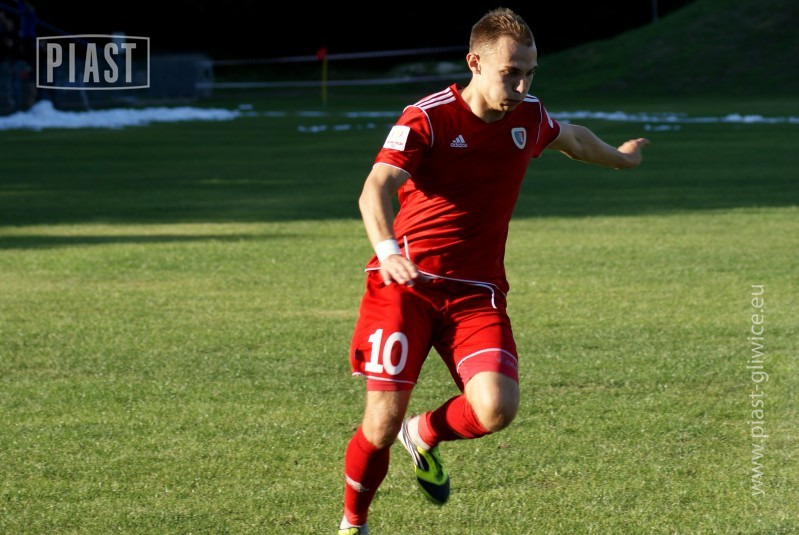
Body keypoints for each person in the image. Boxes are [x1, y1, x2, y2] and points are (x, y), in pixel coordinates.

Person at [339, 8, 649, 534]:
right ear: (475, 63)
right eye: (511, 73)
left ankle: (425, 433)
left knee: (496, 409)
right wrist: (388, 250)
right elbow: (376, 187)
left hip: (475, 293)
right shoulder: (427, 117)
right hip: (405, 285)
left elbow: (574, 140)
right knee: (381, 424)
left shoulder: (529, 116)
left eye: (530, 73)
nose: (522, 86)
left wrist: (623, 159)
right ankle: (353, 523)